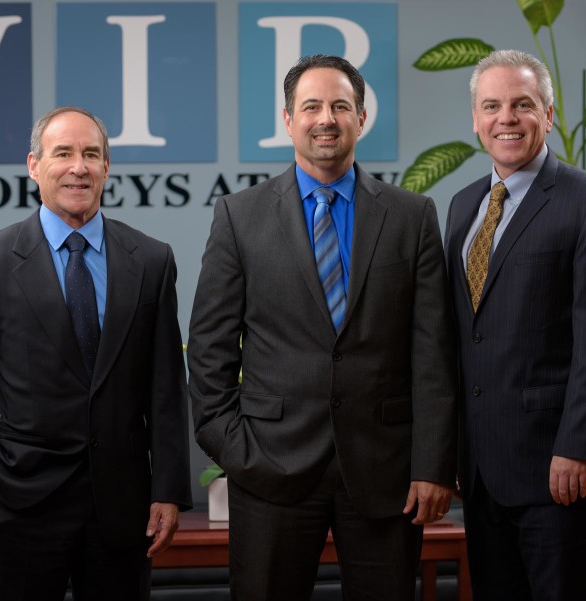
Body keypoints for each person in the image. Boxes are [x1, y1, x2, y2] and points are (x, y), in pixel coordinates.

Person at [187, 54, 458, 601]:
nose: (326, 118)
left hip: (386, 474)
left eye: (340, 106)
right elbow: (209, 352)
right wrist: (238, 452)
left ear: (361, 117)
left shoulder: (412, 216)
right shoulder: (239, 217)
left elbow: (433, 354)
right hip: (270, 472)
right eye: (311, 106)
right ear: (288, 120)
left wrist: (432, 465)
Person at [0, 106, 192, 601]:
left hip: (123, 507)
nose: (79, 167)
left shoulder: (152, 260)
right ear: (34, 166)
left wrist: (167, 489)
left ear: (106, 169)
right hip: (25, 505)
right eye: (64, 154)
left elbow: (164, 387)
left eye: (91, 155)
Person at [445, 49, 586, 600]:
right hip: (482, 473)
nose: (506, 118)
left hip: (556, 470)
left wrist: (577, 447)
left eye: (522, 104)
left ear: (548, 115)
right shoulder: (463, 206)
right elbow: (464, 336)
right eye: (492, 106)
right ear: (477, 120)